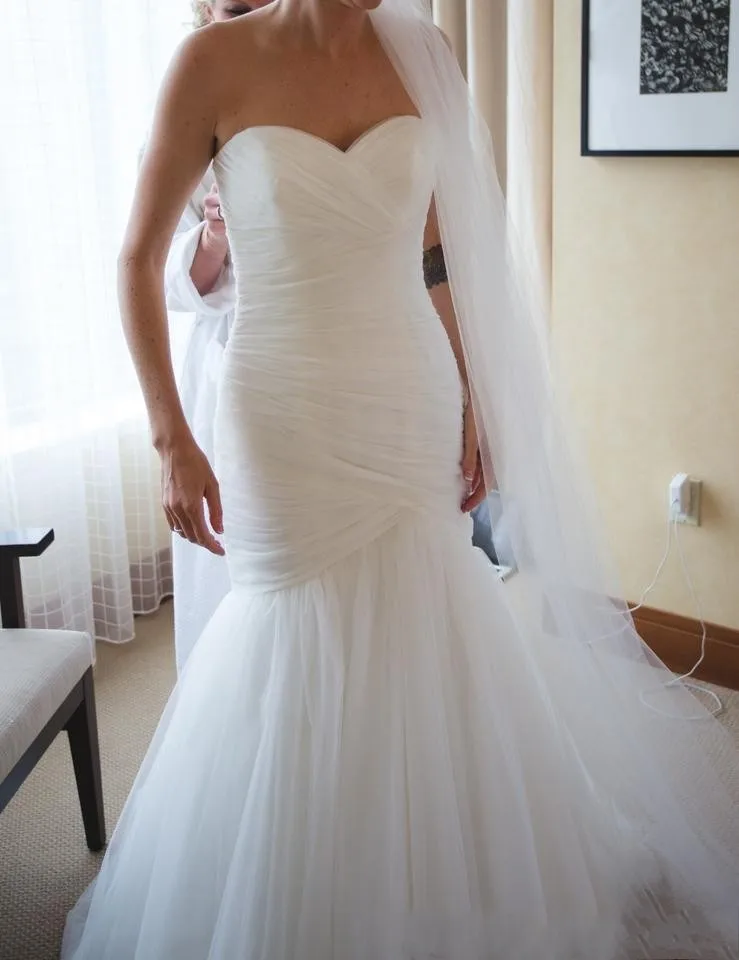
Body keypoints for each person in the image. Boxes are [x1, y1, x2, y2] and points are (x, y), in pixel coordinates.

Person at [62, 1, 739, 957]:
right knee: (294, 622)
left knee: (431, 603)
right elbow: (137, 260)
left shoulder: (427, 53)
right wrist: (172, 436)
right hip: (282, 406)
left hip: (409, 390)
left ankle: (450, 879)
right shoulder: (210, 62)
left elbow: (435, 252)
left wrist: (470, 390)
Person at [165, 0, 272, 672]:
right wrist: (212, 237)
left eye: (265, 6)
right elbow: (163, 276)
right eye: (234, 8)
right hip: (236, 359)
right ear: (204, 11)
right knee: (247, 564)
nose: (251, 22)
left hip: (347, 351)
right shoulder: (188, 101)